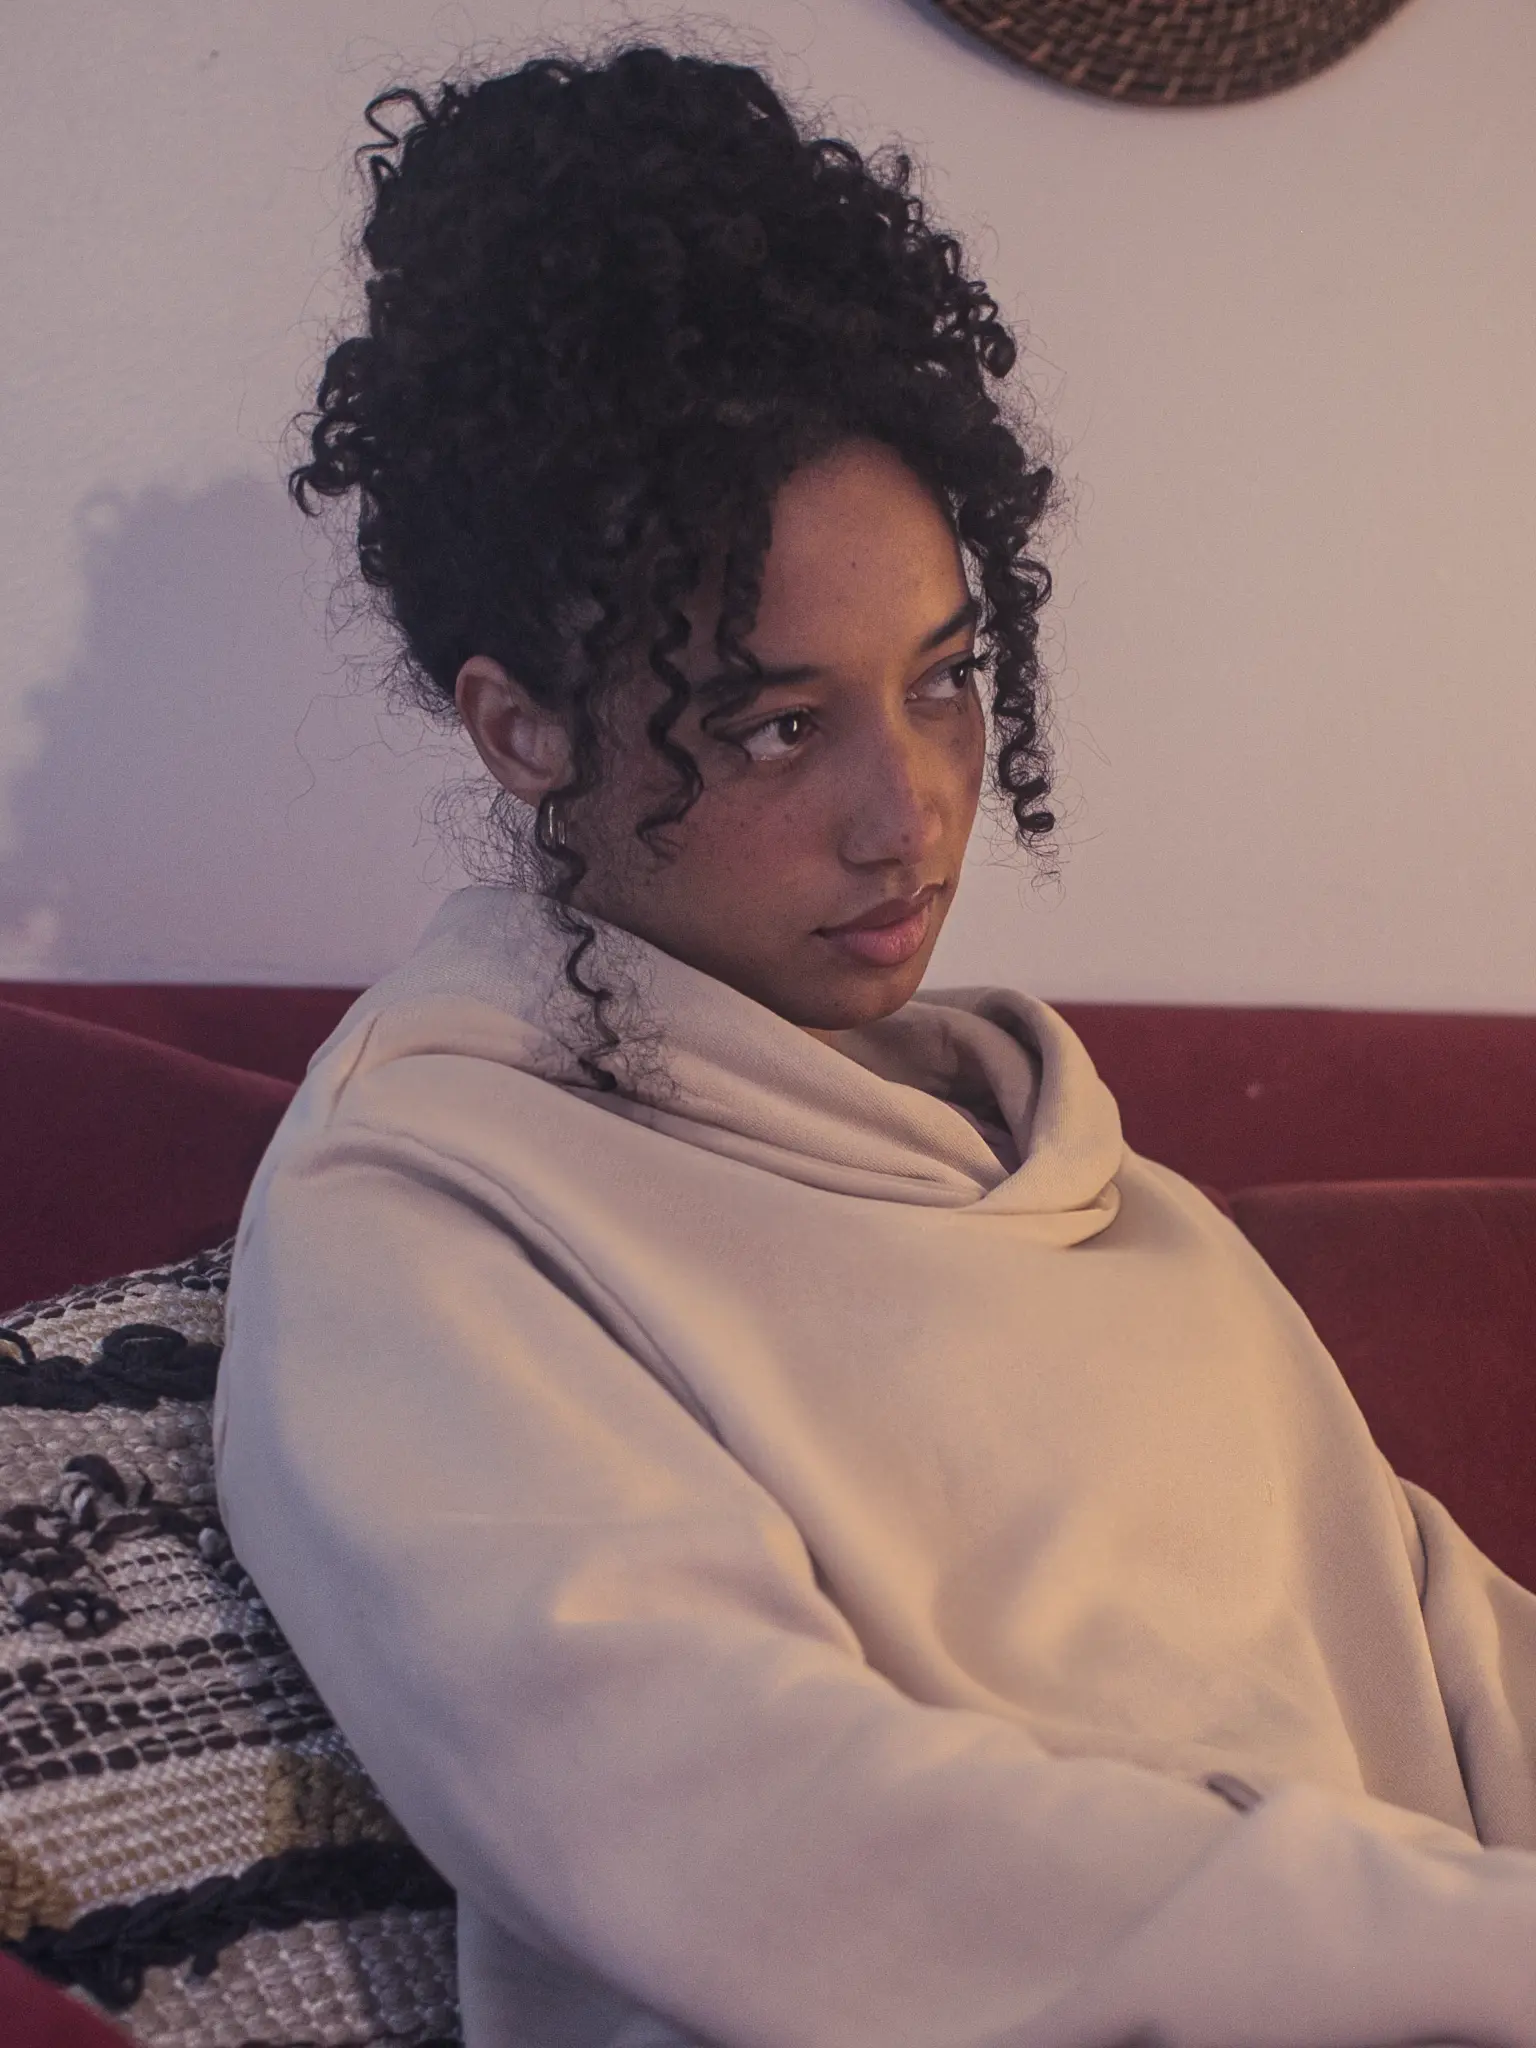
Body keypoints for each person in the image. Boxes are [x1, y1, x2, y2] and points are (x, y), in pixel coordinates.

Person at [214, 36, 1536, 2048]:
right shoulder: (422, 1221)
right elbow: (770, 1837)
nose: (904, 814)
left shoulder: (1106, 1198)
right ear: (521, 727)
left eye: (943, 681)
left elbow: (1465, 1667)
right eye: (776, 724)